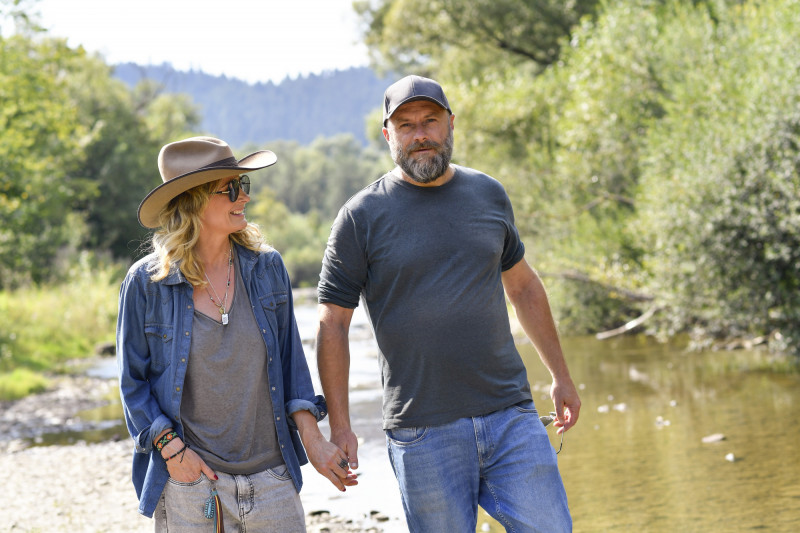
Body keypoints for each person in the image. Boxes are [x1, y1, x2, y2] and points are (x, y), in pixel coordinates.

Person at [316, 75, 581, 532]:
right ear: (387, 134)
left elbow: (523, 287)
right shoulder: (361, 217)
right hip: (422, 430)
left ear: (451, 124)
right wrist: (340, 426)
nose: (420, 134)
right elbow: (333, 324)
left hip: (510, 414)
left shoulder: (488, 193)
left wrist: (561, 376)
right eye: (406, 126)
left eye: (430, 121)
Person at [117, 136, 356, 532]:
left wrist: (314, 439)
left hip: (273, 480)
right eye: (230, 188)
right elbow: (132, 383)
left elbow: (291, 365)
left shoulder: (267, 268)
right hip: (191, 485)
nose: (244, 196)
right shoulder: (146, 283)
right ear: (193, 201)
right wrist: (173, 453)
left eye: (243, 184)